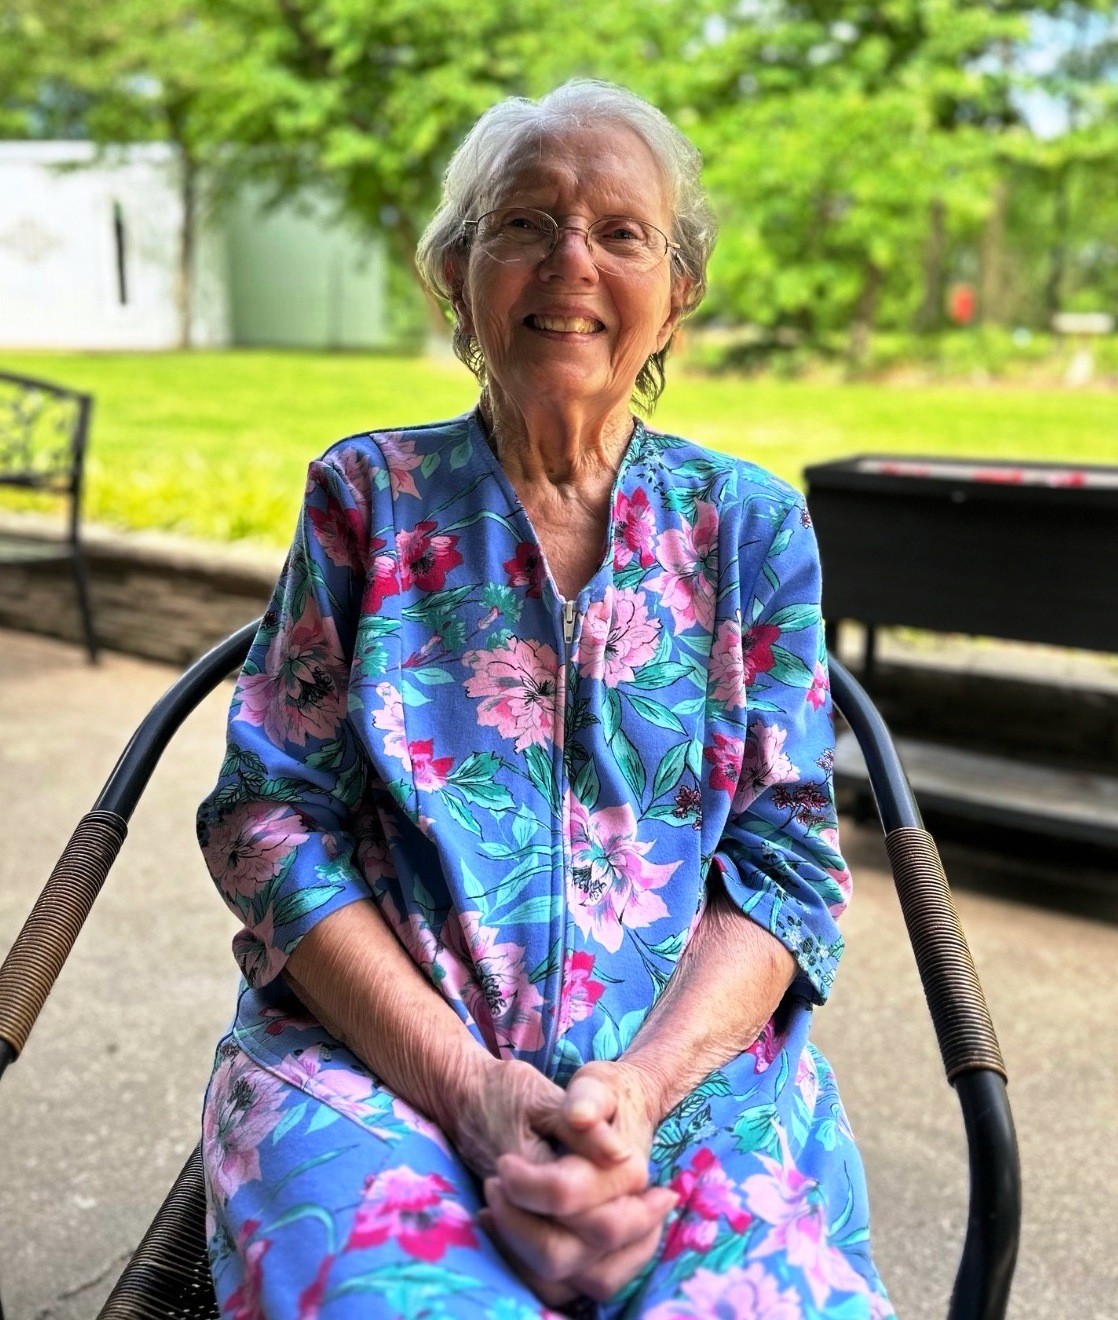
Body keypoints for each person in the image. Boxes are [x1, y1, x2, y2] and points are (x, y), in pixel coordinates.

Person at [197, 79, 893, 1319]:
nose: (571, 260)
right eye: (524, 224)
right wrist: (465, 1087)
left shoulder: (747, 528)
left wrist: (639, 1092)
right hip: (377, 1072)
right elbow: (267, 822)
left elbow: (785, 865)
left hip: (693, 1088)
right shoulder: (367, 498)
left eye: (620, 232)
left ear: (676, 292)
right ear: (455, 272)